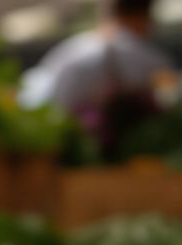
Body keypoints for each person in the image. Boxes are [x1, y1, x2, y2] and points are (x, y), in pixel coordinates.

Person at [20, 0, 167, 152]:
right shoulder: (145, 57)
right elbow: (172, 98)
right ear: (145, 17)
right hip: (100, 150)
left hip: (54, 141)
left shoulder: (75, 46)